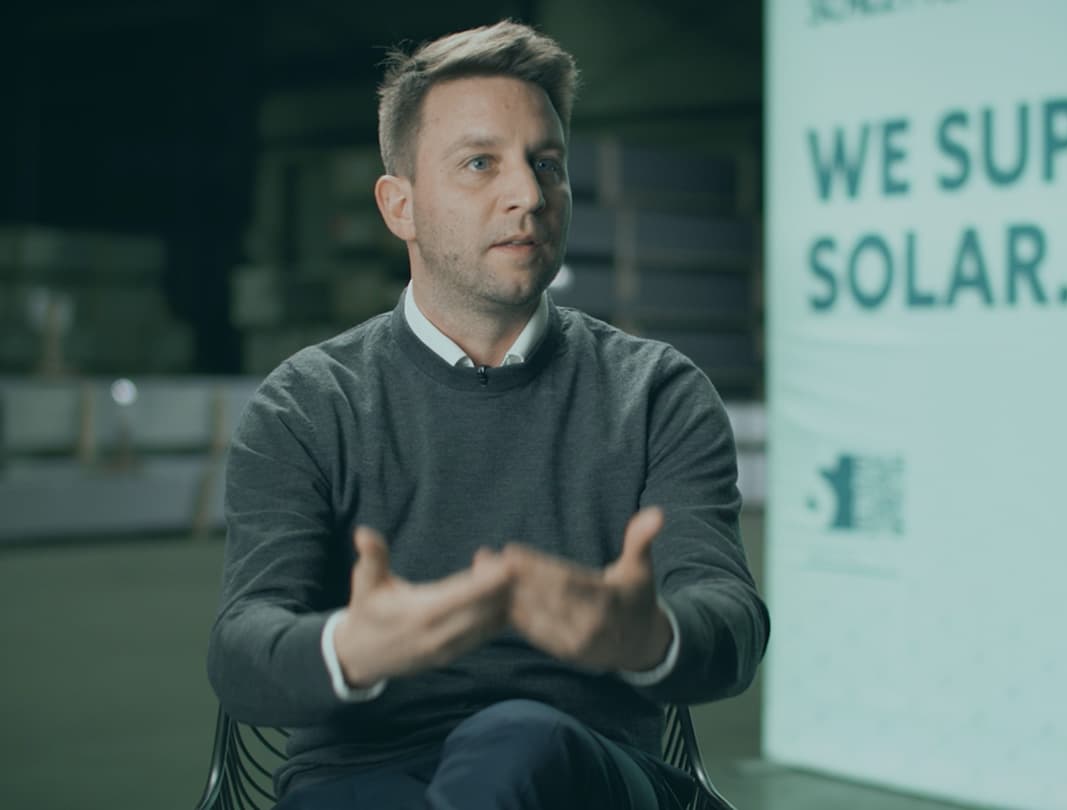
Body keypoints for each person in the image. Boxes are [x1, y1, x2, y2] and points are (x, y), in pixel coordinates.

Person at [206, 20, 768, 810]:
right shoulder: (308, 403)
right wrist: (352, 646)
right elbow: (241, 650)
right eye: (481, 164)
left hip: (589, 769)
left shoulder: (657, 395)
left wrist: (648, 637)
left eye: (548, 164)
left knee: (516, 741)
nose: (530, 195)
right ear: (398, 206)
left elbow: (733, 620)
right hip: (363, 777)